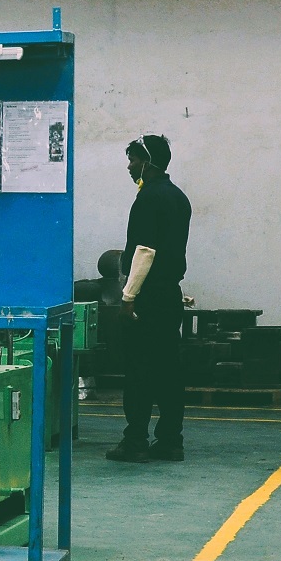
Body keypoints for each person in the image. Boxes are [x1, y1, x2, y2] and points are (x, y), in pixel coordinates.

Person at [108, 134, 192, 463]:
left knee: (139, 369)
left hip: (147, 298)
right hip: (169, 295)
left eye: (133, 160)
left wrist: (129, 297)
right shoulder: (179, 197)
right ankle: (171, 440)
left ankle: (135, 442)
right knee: (169, 370)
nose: (129, 167)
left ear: (147, 162)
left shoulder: (147, 198)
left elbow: (145, 251)